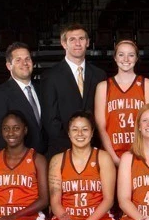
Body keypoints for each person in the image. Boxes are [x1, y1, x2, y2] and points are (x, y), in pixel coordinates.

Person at [41, 23, 107, 158]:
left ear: (87, 42)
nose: (77, 43)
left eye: (81, 39)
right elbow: (50, 119)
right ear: (64, 43)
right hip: (62, 150)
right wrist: (75, 145)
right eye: (72, 39)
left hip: (94, 148)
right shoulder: (50, 76)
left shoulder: (100, 75)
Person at [94, 40, 149, 166]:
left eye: (131, 55)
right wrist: (114, 158)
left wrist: (141, 154)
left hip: (140, 154)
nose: (126, 59)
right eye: (121, 55)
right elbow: (101, 127)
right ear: (115, 58)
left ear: (136, 58)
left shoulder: (147, 84)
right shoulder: (103, 87)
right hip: (111, 154)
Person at [0, 42, 46, 154]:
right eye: (18, 60)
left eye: (27, 59)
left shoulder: (42, 89)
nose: (25, 63)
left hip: (44, 157)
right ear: (9, 66)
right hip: (17, 159)